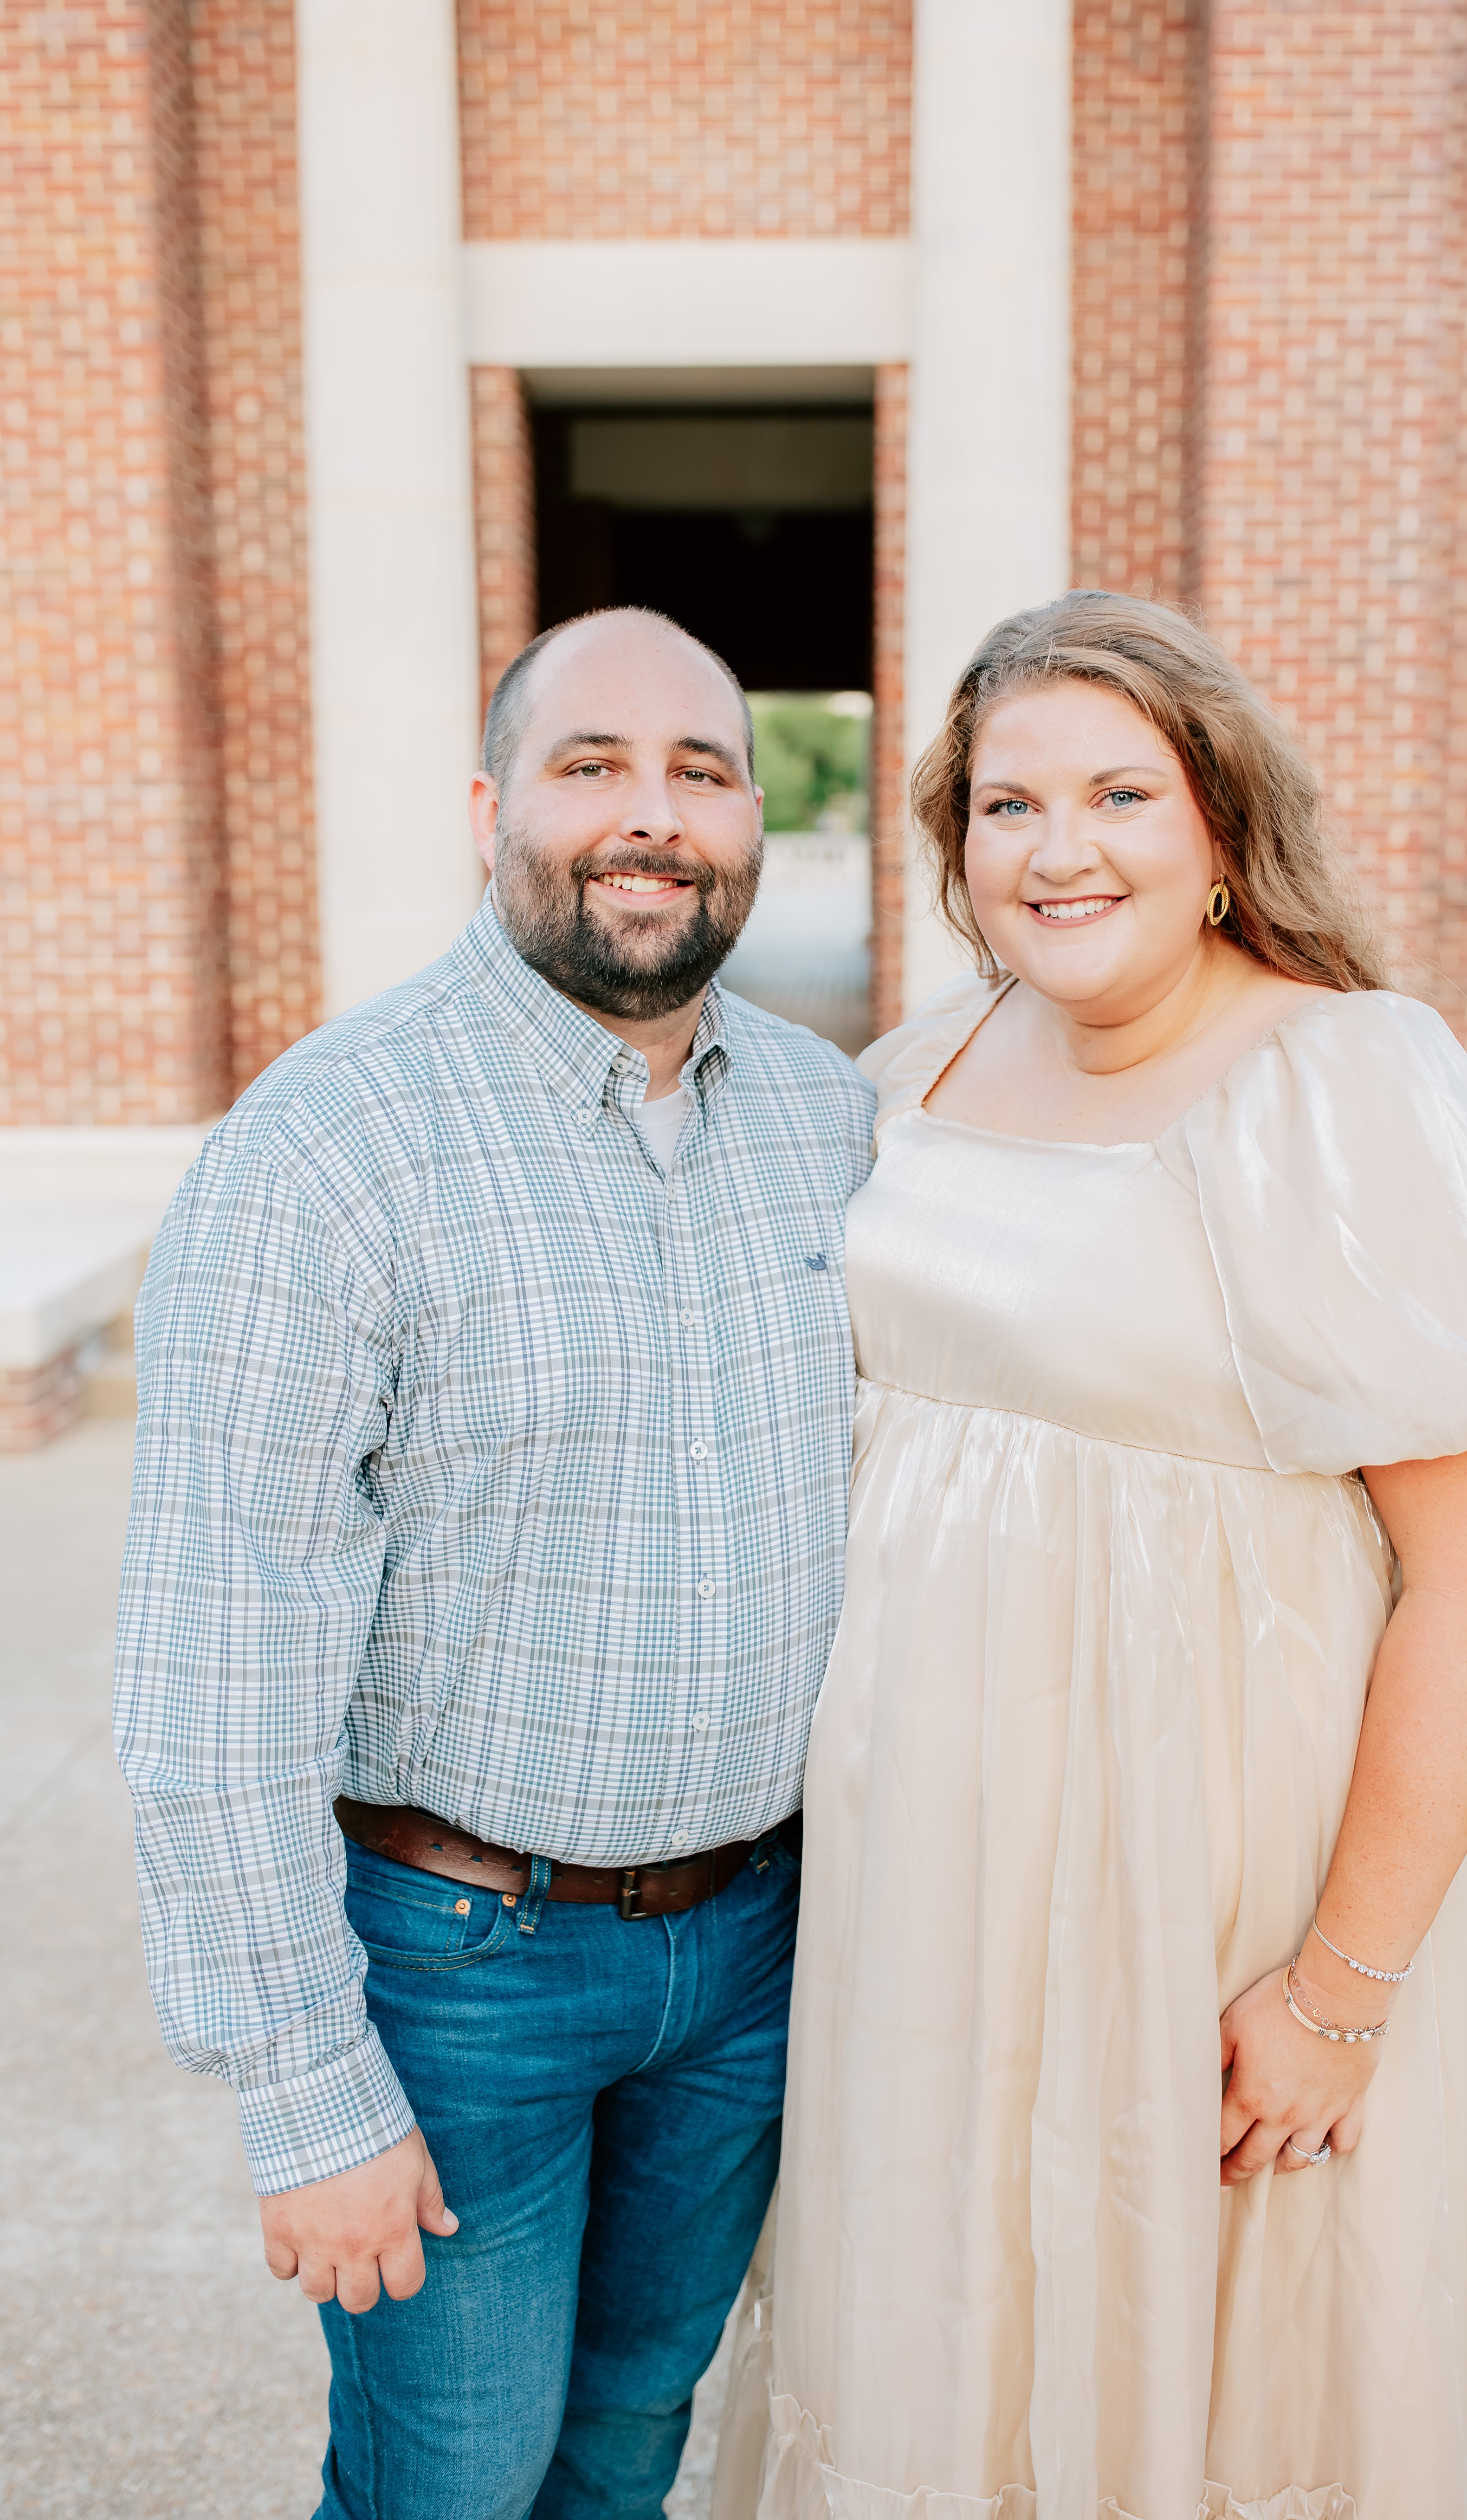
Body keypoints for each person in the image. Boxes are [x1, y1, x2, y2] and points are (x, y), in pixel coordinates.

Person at [730, 591, 1467, 2520]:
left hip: (1207, 1874)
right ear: (956, 843)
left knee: (1202, 2351)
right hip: (925, 1879)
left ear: (1220, 820)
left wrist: (1335, 1989)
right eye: (1008, 804)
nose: (1060, 850)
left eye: (1120, 793)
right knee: (947, 2337)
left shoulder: (1344, 1087)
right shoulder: (921, 1065)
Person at [112, 608, 874, 2520]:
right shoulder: (327, 1147)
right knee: (444, 2488)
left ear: (752, 821)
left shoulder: (828, 1117)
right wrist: (309, 2094)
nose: (652, 813)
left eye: (702, 771)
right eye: (590, 764)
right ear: (488, 809)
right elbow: (217, 1664)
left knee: (626, 2448)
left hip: (754, 1951)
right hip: (462, 1972)